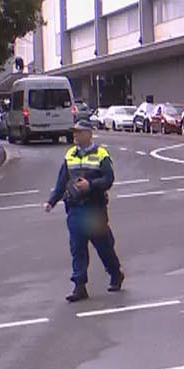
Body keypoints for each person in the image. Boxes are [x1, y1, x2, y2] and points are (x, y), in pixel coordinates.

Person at [43, 125, 125, 301]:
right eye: (74, 132)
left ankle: (115, 274)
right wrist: (51, 201)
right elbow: (62, 181)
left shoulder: (101, 154)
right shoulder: (70, 154)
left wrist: (90, 185)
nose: (75, 135)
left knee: (103, 246)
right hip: (75, 208)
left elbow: (108, 179)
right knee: (77, 248)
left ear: (88, 134)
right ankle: (79, 286)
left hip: (94, 208)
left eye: (78, 132)